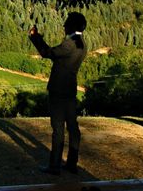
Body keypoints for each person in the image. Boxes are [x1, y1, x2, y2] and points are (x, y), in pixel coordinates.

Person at [28, 11, 87, 175]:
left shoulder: (70, 44)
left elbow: (48, 53)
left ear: (71, 26)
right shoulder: (83, 44)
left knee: (58, 128)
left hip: (58, 90)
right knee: (73, 127)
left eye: (66, 22)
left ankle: (54, 166)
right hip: (70, 90)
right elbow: (59, 57)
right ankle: (71, 163)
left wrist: (35, 37)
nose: (63, 25)